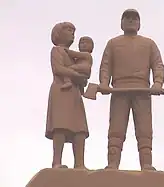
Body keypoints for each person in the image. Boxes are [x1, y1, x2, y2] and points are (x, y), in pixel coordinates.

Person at [99, 9, 164, 170]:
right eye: (127, 18)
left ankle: (146, 163)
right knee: (116, 128)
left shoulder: (149, 44)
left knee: (144, 129)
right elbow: (105, 65)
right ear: (121, 23)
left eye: (134, 18)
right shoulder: (113, 43)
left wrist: (157, 83)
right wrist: (104, 83)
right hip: (119, 89)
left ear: (139, 23)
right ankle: (113, 163)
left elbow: (157, 64)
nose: (131, 21)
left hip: (142, 89)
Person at [46, 22, 89, 169]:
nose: (72, 34)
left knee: (80, 129)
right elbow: (58, 69)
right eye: (69, 30)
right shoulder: (57, 50)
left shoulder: (74, 56)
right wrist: (76, 75)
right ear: (58, 33)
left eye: (73, 31)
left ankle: (80, 164)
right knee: (60, 126)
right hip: (61, 91)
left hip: (75, 93)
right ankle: (56, 162)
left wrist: (81, 78)